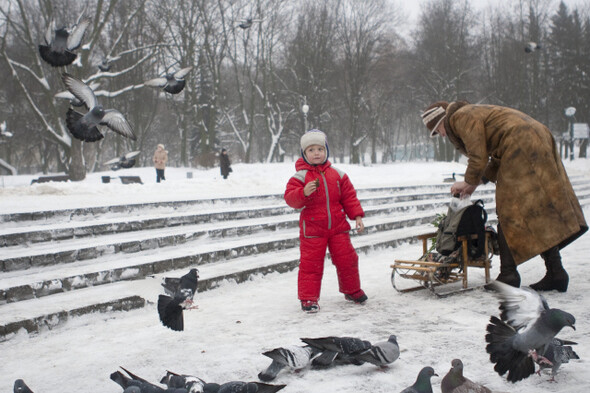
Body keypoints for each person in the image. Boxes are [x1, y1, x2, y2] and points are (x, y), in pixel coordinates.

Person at [421, 101, 587, 292]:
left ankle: (508, 274)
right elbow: (495, 157)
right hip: (536, 137)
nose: (441, 134)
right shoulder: (476, 113)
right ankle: (556, 272)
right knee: (537, 209)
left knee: (509, 211)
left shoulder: (460, 117)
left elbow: (478, 157)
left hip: (520, 144)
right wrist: (474, 184)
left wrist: (467, 182)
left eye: (438, 129)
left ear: (442, 119)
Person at [284, 129, 367, 313]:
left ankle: (351, 290)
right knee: (311, 265)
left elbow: (349, 198)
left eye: (320, 149)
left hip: (338, 227)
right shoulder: (300, 177)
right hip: (313, 229)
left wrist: (358, 217)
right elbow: (290, 199)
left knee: (348, 260)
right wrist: (303, 192)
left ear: (326, 151)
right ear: (304, 154)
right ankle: (308, 299)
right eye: (311, 150)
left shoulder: (338, 175)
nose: (316, 153)